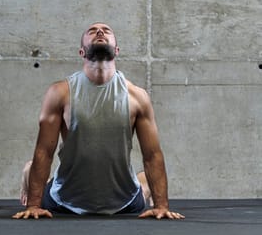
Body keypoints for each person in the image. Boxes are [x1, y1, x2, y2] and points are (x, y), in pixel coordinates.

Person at [13, 23, 184, 220]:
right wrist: (34, 205)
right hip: (63, 201)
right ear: (81, 52)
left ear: (117, 50)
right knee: (36, 166)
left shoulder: (137, 97)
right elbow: (44, 151)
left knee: (142, 185)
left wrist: (162, 206)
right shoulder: (60, 93)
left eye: (106, 30)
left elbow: (152, 155)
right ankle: (30, 170)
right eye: (92, 31)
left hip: (125, 202)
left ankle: (142, 183)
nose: (100, 32)